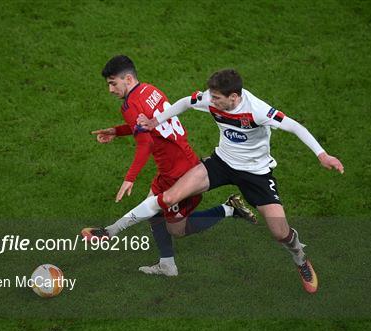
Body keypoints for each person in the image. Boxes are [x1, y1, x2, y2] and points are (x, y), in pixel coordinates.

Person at [86, 69, 344, 293]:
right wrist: (155, 121)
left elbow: (296, 126)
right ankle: (110, 231)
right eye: (212, 97)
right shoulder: (211, 98)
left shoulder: (258, 111)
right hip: (221, 164)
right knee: (170, 197)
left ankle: (300, 259)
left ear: (234, 97)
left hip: (256, 174)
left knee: (280, 232)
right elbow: (186, 102)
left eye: (219, 99)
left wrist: (322, 154)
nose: (213, 102)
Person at [82, 57, 256, 277]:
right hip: (182, 160)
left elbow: (146, 143)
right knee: (154, 209)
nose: (110, 89)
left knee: (175, 227)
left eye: (113, 83)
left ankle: (229, 209)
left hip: (177, 172)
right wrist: (117, 131)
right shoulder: (149, 90)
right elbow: (146, 125)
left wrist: (130, 177)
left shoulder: (130, 105)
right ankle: (165, 263)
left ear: (128, 78)